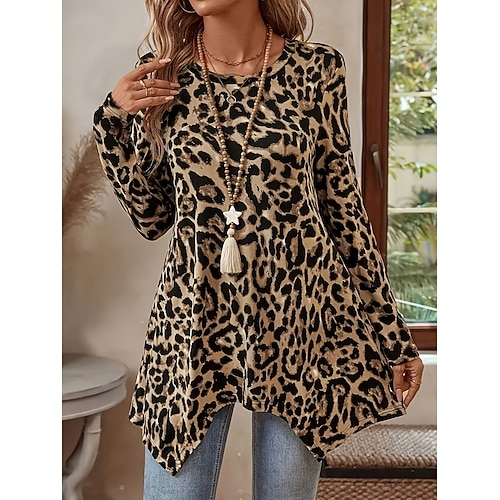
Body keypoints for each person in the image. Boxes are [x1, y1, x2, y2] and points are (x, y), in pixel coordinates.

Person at [93, 0, 425, 498]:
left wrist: (392, 334)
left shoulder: (317, 70)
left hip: (299, 322)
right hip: (193, 321)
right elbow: (153, 217)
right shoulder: (165, 77)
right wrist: (113, 121)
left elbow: (342, 209)